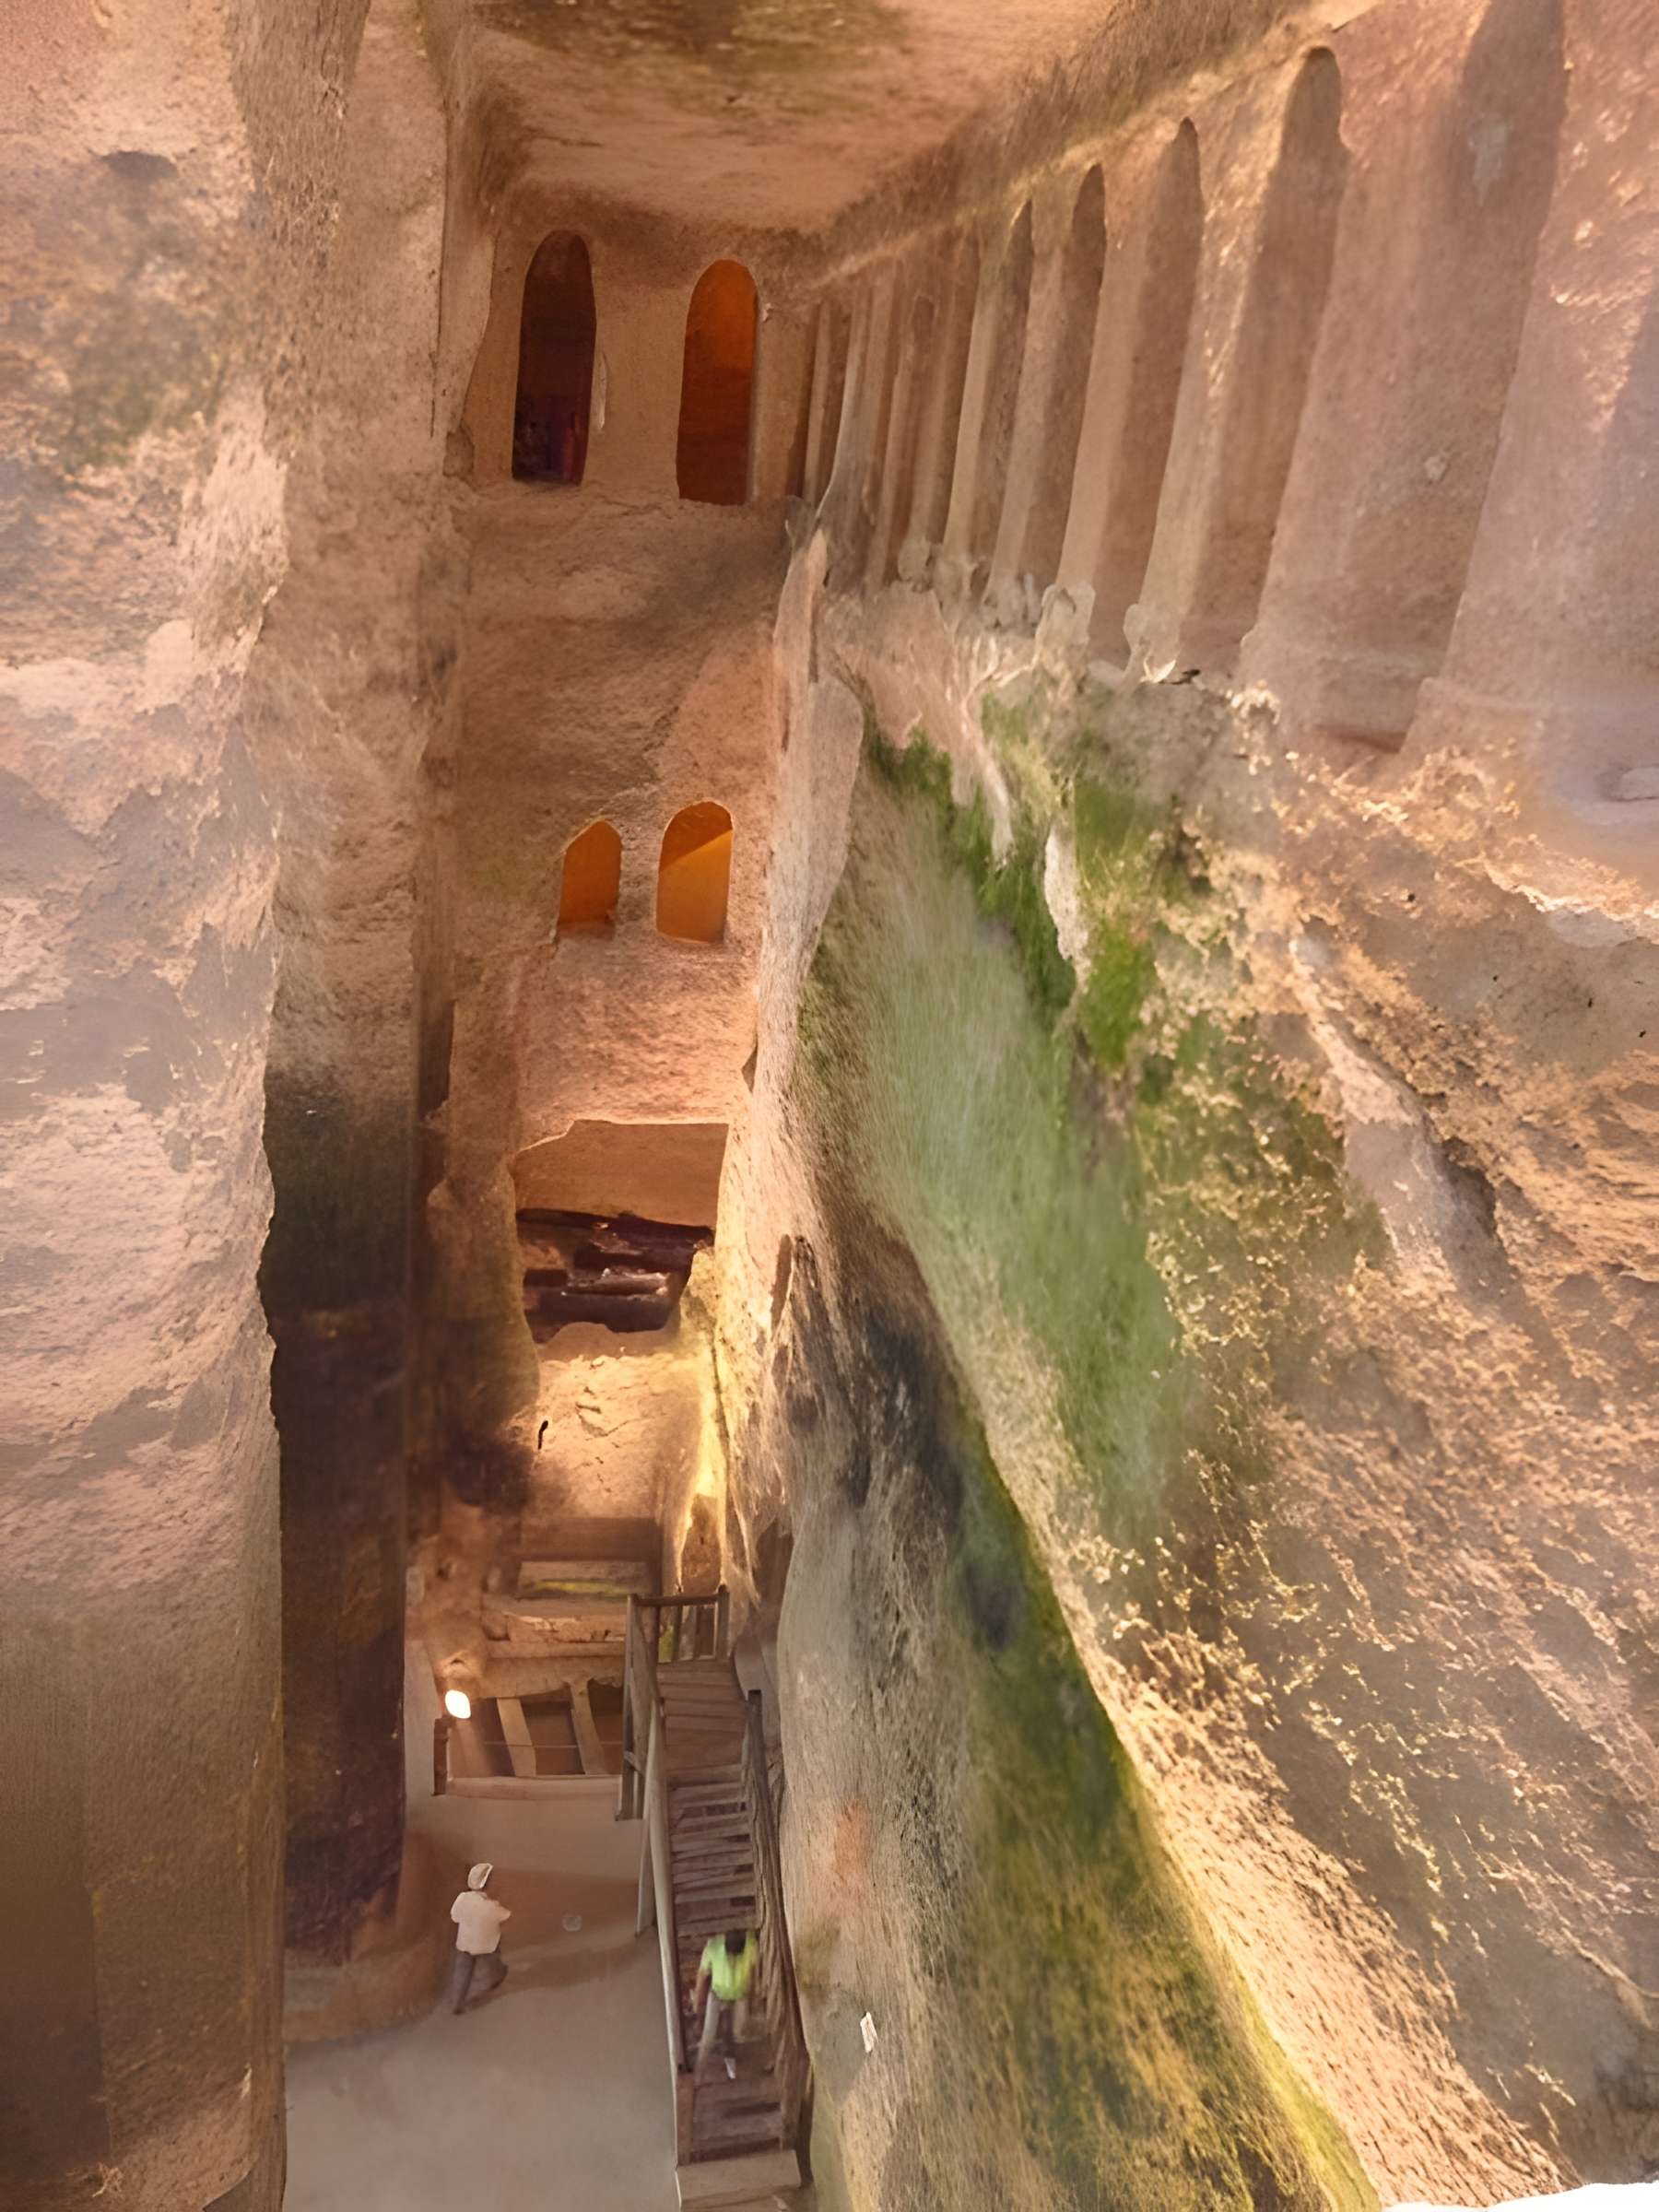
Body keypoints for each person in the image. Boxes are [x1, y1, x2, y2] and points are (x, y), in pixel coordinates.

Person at [693, 1926, 758, 2079]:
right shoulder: (713, 1947)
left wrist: (753, 1994)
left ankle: (731, 2061)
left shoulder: (751, 1944)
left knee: (738, 2032)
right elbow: (702, 1975)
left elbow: (754, 1969)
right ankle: (698, 2073)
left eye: (738, 1956)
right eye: (731, 1956)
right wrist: (698, 2000)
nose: (734, 1959)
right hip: (717, 1995)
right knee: (708, 2036)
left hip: (740, 1994)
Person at [448, 1861, 511, 2013]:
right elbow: (505, 1915)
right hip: (486, 1945)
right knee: (493, 1962)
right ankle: (497, 1977)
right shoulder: (490, 1905)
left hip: (465, 1943)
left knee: (462, 1972)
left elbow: (455, 1917)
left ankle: (458, 2001)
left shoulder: (462, 1898)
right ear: (486, 1883)